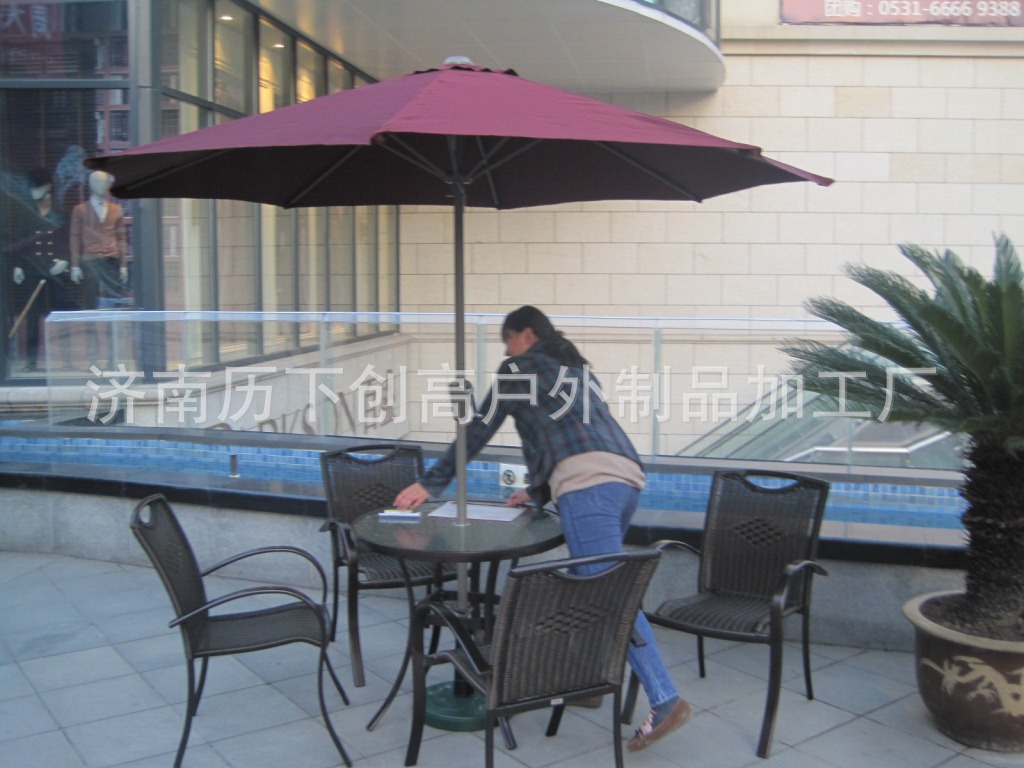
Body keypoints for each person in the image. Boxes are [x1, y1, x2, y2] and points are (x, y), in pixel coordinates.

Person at [393, 305, 692, 752]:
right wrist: (537, 491)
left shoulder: (519, 369)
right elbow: (565, 434)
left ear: (526, 335)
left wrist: (429, 482)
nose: (505, 350)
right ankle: (586, 683)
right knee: (588, 586)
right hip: (625, 479)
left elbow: (478, 430)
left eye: (507, 340)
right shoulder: (576, 371)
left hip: (588, 486)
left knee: (611, 593)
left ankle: (665, 699)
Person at [6, 168, 74, 372]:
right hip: (33, 270)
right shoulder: (26, 215)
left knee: (61, 316)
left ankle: (67, 360)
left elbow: (70, 241)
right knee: (32, 317)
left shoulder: (60, 216)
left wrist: (65, 261)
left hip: (55, 272)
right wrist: (18, 265)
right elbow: (19, 243)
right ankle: (31, 361)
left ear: (49, 192)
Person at [69, 170, 128, 363]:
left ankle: (112, 356)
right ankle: (93, 356)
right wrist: (75, 265)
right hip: (90, 262)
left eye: (105, 182)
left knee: (112, 308)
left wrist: (123, 265)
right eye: (98, 182)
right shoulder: (80, 210)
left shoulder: (116, 209)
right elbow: (74, 237)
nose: (102, 186)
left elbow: (121, 238)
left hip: (110, 261)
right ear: (91, 184)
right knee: (90, 309)